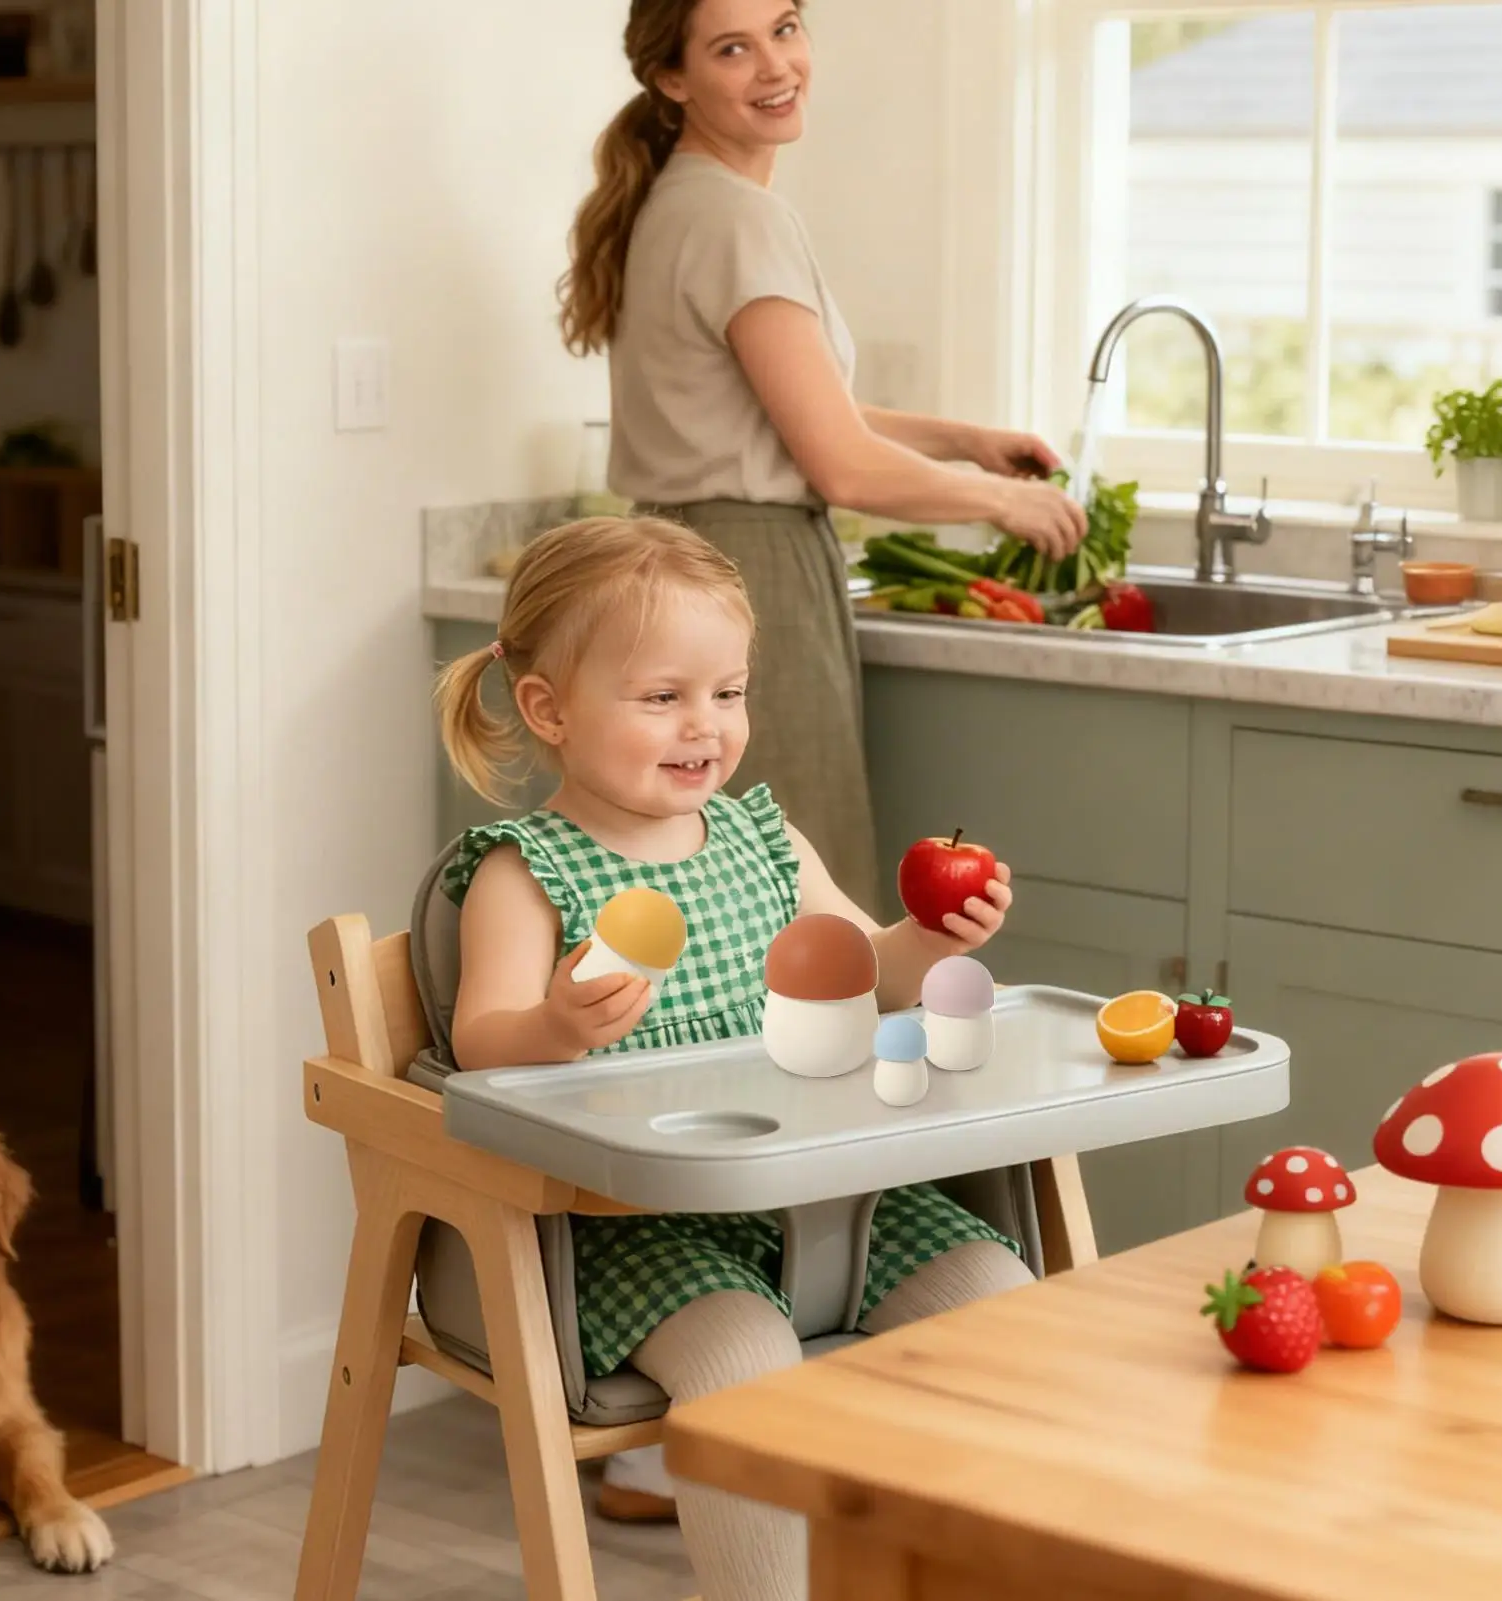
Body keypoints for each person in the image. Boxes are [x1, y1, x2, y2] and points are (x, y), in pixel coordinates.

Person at [433, 516, 1034, 1601]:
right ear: (548, 709)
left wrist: (927, 939)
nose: (702, 724)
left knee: (1000, 1297)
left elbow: (868, 969)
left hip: (825, 1199)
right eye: (662, 695)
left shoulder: (766, 840)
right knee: (743, 1367)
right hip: (634, 1229)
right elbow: (481, 1043)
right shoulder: (522, 873)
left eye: (727, 691)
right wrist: (560, 1023)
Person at [557, 0, 1086, 927]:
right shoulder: (736, 217)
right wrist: (1001, 501)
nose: (774, 65)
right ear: (673, 80)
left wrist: (961, 439)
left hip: (678, 561)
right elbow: (840, 466)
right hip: (749, 572)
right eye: (733, 48)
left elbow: (787, 410)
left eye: (786, 29)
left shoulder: (681, 198)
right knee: (791, 897)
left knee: (704, 883)